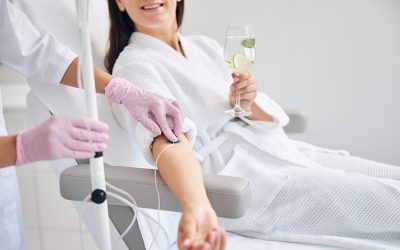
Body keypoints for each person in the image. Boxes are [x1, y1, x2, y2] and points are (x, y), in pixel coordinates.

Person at [106, 0, 400, 250]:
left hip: (277, 151)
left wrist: (247, 102)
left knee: (392, 178)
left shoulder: (203, 47)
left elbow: (256, 117)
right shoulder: (135, 66)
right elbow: (166, 139)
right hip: (242, 181)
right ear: (118, 1)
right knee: (387, 201)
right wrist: (196, 204)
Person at [0, 0, 184, 249]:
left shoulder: (201, 51)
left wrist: (119, 89)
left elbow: (35, 50)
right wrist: (18, 147)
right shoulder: (136, 62)